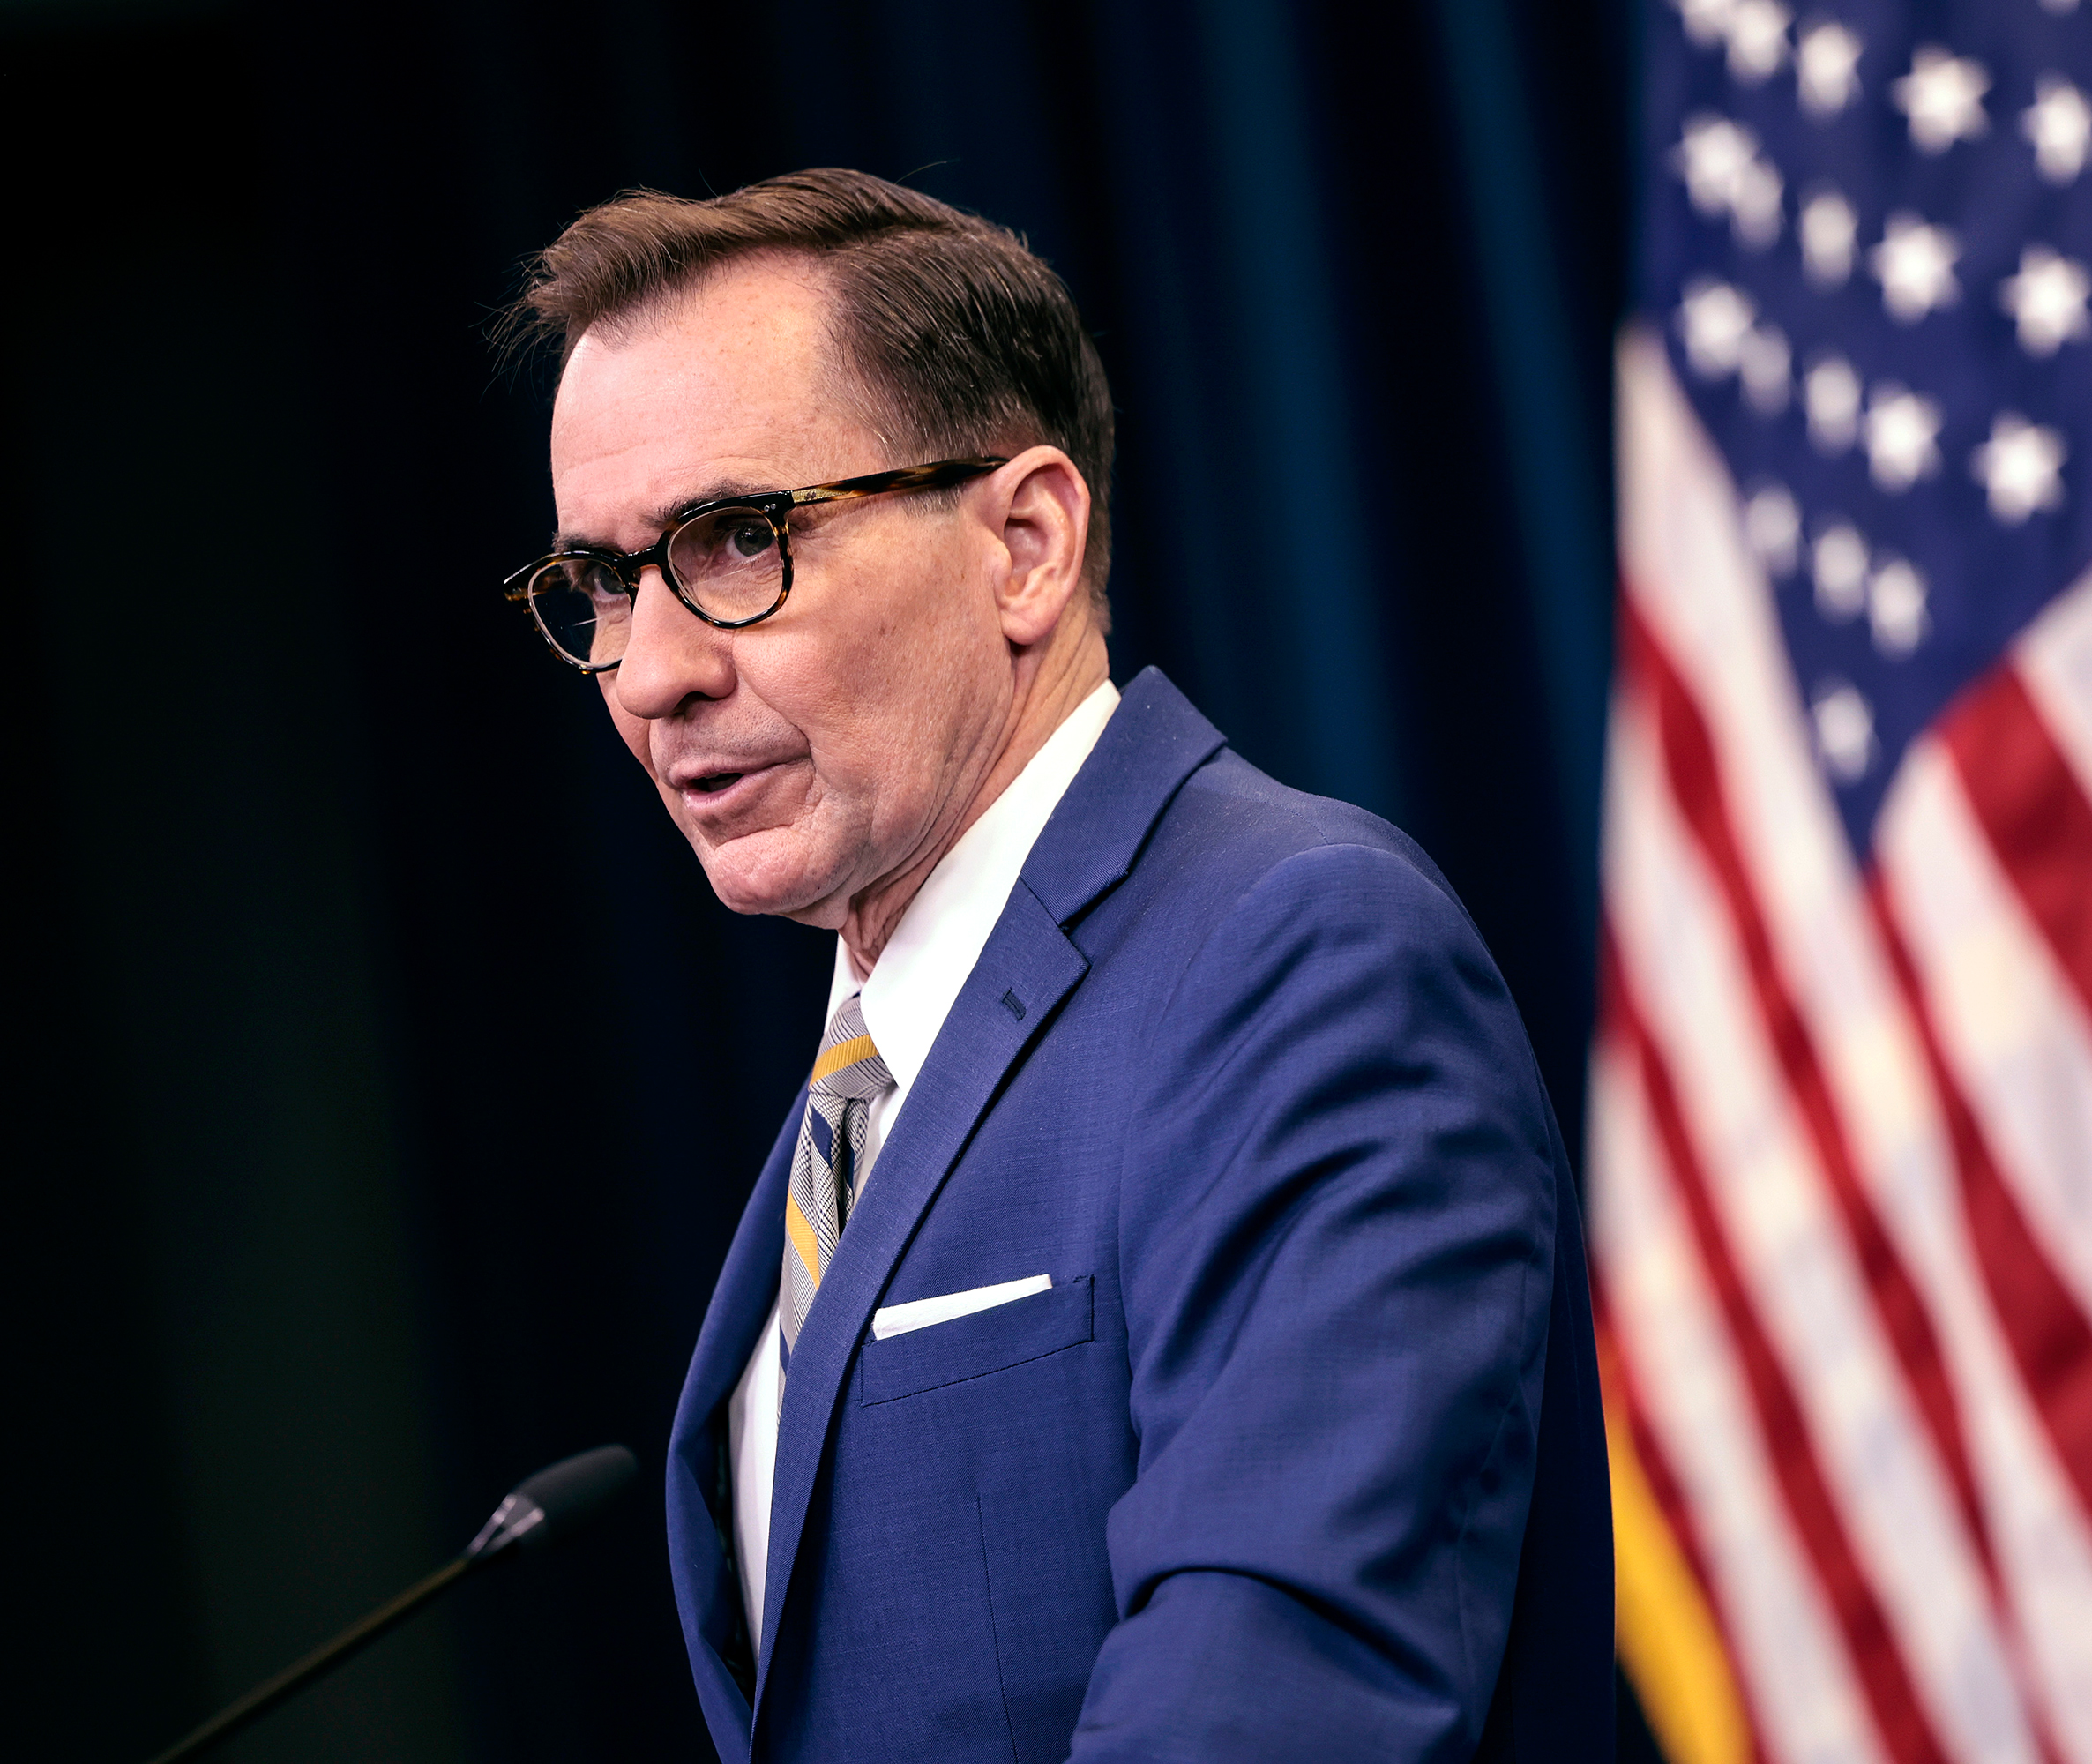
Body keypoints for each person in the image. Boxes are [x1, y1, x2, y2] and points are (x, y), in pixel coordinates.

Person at [498, 168, 1610, 1762]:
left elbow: (1275, 1701)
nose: (652, 673)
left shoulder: (1297, 957)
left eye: (737, 540)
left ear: (1024, 541)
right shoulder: (867, 1080)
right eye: (603, 583)